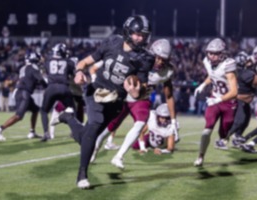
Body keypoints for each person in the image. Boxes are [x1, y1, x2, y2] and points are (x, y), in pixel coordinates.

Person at [51, 15, 154, 189]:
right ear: (128, 31)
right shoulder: (112, 42)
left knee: (88, 136)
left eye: (144, 35)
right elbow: (84, 62)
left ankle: (68, 118)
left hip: (116, 100)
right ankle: (82, 175)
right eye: (137, 34)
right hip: (96, 91)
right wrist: (78, 72)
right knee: (94, 124)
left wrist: (136, 91)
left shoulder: (146, 58)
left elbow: (141, 89)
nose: (141, 38)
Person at [90, 39, 179, 168]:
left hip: (141, 99)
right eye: (157, 58)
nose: (159, 62)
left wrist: (174, 120)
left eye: (163, 59)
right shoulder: (138, 57)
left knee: (140, 123)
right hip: (124, 95)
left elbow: (169, 96)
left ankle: (119, 156)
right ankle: (95, 148)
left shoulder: (167, 71)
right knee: (110, 126)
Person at [193, 38, 238, 167]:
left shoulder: (228, 66)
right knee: (207, 129)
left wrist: (218, 99)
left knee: (225, 131)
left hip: (229, 102)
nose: (212, 56)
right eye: (210, 53)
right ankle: (200, 156)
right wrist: (202, 85)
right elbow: (212, 75)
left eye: (216, 53)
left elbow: (234, 91)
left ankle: (225, 138)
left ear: (222, 53)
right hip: (214, 99)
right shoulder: (207, 61)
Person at [0, 52, 47, 141]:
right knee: (19, 116)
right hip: (23, 92)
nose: (39, 62)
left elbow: (31, 80)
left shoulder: (24, 67)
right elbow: (40, 80)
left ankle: (32, 132)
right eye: (38, 60)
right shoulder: (33, 67)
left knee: (35, 109)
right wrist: (47, 86)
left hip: (22, 91)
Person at [40, 43, 76, 142]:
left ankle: (46, 133)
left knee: (44, 111)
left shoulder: (47, 61)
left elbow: (46, 72)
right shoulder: (69, 62)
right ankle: (75, 131)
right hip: (64, 87)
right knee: (72, 110)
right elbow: (73, 75)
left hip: (51, 87)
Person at [226, 50, 257, 148]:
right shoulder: (246, 73)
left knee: (245, 120)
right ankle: (223, 138)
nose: (250, 62)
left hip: (241, 100)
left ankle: (239, 138)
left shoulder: (240, 72)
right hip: (241, 100)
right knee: (240, 121)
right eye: (248, 61)